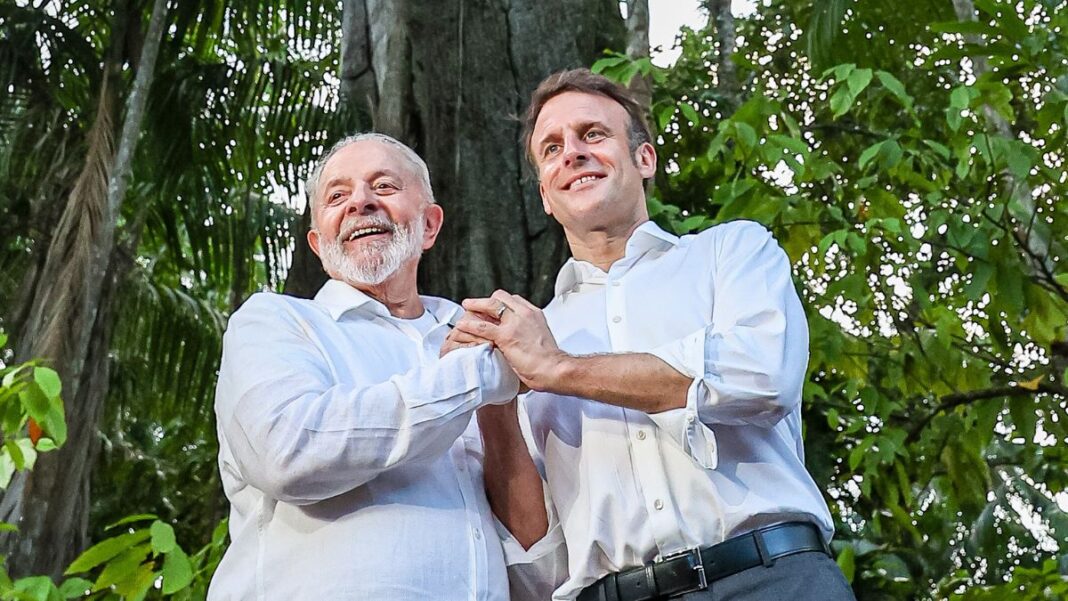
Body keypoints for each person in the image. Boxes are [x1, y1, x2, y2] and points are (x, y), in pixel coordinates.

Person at [450, 69, 856, 601]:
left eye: (593, 134)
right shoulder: (531, 337)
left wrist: (562, 370)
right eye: (552, 148)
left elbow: (762, 376)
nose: (572, 153)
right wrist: (492, 406)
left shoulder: (730, 251)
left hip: (776, 578)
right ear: (546, 196)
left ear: (645, 159)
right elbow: (542, 563)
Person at [208, 133, 521, 600]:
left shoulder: (477, 335)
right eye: (337, 196)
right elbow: (288, 452)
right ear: (317, 242)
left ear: (430, 225)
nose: (360, 202)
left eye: (384, 186)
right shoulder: (275, 321)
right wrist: (476, 376)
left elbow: (522, 523)